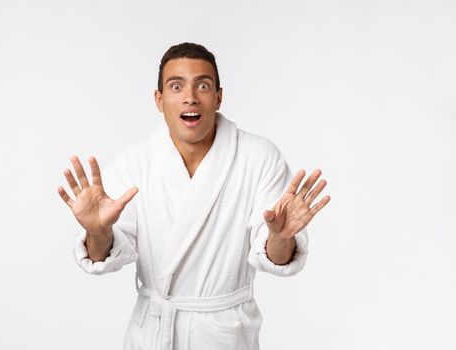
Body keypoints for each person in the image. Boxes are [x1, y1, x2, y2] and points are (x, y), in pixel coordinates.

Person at [57, 42, 330, 350]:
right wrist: (98, 232)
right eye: (176, 86)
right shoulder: (135, 162)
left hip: (224, 335)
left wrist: (280, 237)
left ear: (218, 97)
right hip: (153, 333)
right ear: (159, 100)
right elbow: (101, 256)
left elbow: (277, 259)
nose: (190, 97)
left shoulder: (258, 157)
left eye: (203, 85)